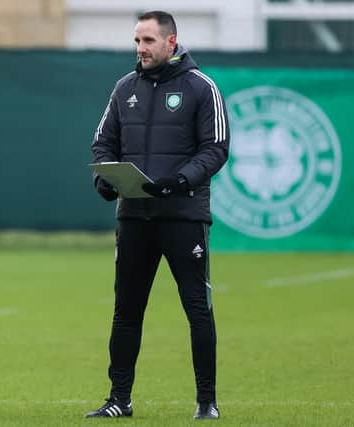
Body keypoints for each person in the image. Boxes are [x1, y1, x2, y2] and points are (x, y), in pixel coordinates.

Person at [86, 11, 229, 420]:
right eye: (137, 41)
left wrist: (179, 181)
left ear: (171, 42)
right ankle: (119, 400)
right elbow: (102, 144)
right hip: (134, 219)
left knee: (197, 310)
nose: (140, 49)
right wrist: (106, 179)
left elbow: (216, 148)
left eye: (148, 41)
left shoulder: (201, 88)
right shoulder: (124, 88)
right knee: (126, 311)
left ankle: (206, 402)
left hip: (183, 218)